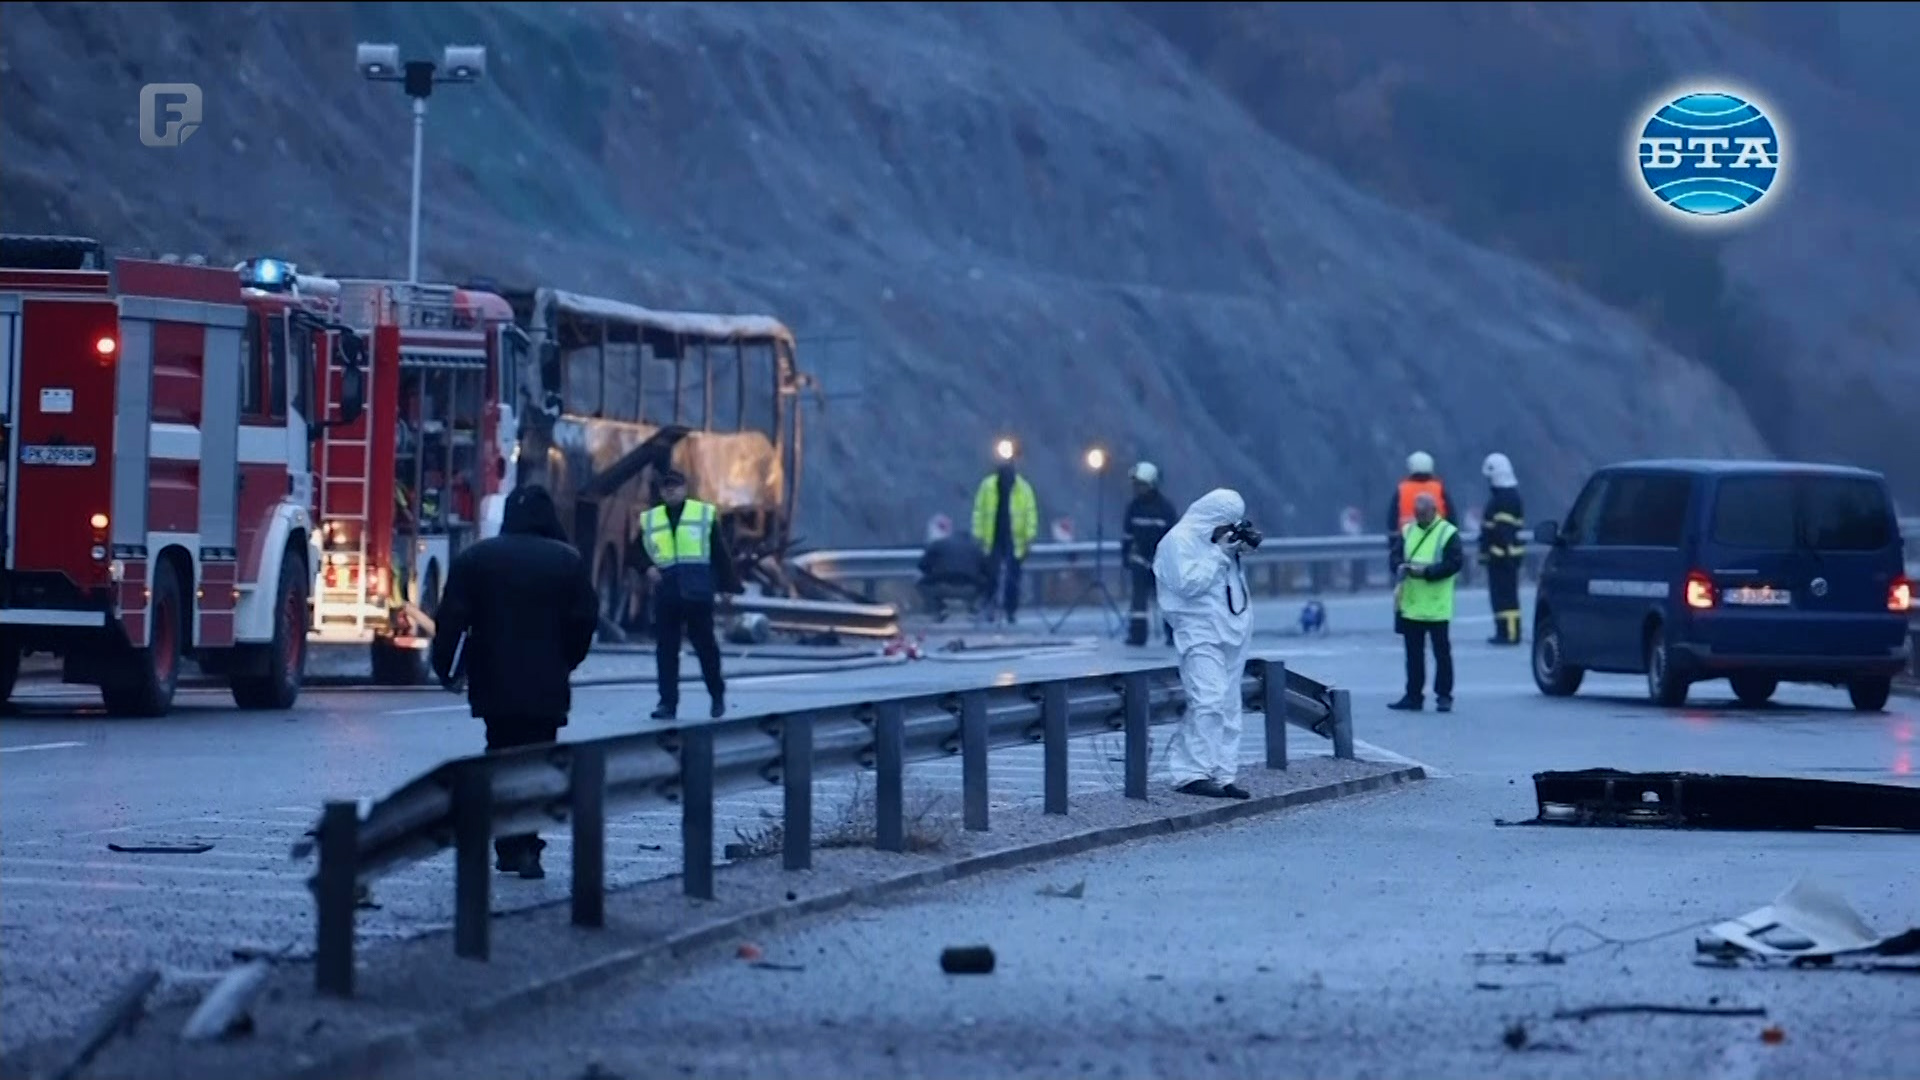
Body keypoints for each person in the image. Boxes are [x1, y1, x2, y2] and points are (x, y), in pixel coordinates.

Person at [431, 485, 598, 880]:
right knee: (538, 761)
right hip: (546, 687)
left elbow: (451, 618)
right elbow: (584, 622)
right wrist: (565, 661)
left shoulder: (477, 558)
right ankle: (527, 846)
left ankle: (507, 845)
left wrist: (446, 669)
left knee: (500, 755)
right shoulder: (568, 562)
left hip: (493, 682)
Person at [1154, 489, 1258, 800]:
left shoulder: (1217, 544)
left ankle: (1222, 773)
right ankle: (1190, 773)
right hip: (1198, 632)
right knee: (1208, 700)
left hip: (1231, 630)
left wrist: (1235, 550)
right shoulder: (1178, 541)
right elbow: (1187, 585)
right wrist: (1219, 554)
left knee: (1228, 705)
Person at [633, 469, 742, 720]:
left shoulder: (701, 515)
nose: (671, 491)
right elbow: (635, 552)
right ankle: (667, 703)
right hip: (667, 594)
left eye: (675, 487)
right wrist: (647, 567)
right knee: (666, 650)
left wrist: (728, 586)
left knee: (706, 647)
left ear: (684, 489)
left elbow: (719, 553)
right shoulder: (652, 519)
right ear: (661, 492)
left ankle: (717, 696)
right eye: (666, 487)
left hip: (697, 593)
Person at [1389, 491, 1464, 713]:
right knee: (1413, 655)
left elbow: (1454, 563)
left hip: (1437, 605)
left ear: (1434, 511)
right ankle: (1413, 695)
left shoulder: (1448, 533)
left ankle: (1444, 696)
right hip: (1411, 604)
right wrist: (1400, 567)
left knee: (1441, 653)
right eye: (1417, 513)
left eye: (1423, 513)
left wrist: (1428, 572)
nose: (1419, 517)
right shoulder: (1408, 531)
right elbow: (1394, 557)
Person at [970, 454, 1039, 624]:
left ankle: (1010, 610)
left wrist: (1029, 537)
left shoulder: (1023, 489)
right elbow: (979, 511)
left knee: (1013, 577)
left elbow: (1031, 513)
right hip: (991, 538)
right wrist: (978, 535)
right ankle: (989, 605)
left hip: (1015, 540)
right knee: (990, 575)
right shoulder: (987, 486)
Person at [1121, 461, 1178, 647]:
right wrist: (1126, 556)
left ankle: (1172, 635)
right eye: (1136, 485)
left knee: (1167, 600)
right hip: (1140, 560)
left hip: (1161, 562)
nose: (1138, 489)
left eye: (1141, 485)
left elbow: (1173, 538)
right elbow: (1127, 535)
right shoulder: (1133, 508)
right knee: (1138, 603)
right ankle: (1137, 635)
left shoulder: (1165, 509)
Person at [1479, 452, 1527, 645]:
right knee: (1504, 596)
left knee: (1505, 597)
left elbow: (1503, 532)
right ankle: (1505, 631)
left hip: (1502, 558)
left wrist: (1495, 552)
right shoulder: (1507, 496)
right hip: (1503, 557)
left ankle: (1509, 633)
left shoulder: (1504, 499)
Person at [1385, 451, 1458, 578]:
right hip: (1438, 550)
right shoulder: (1439, 488)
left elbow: (1392, 521)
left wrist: (1394, 551)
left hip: (1407, 547)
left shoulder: (1402, 489)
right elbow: (1452, 518)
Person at [916, 516, 990, 620]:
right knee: (987, 583)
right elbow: (987, 571)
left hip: (942, 587)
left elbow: (922, 566)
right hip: (971, 588)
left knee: (921, 584)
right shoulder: (976, 547)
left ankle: (938, 609)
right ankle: (974, 608)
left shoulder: (939, 544)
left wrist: (933, 573)